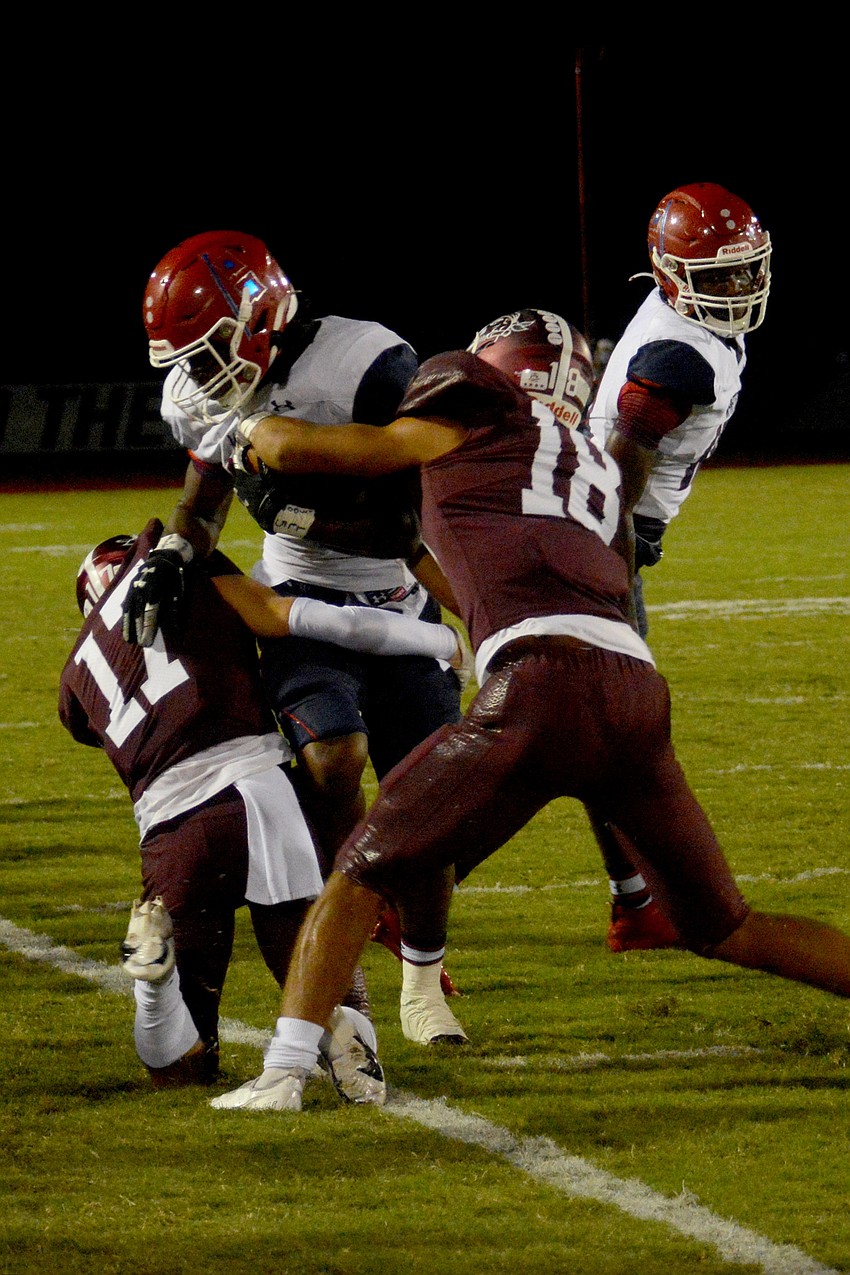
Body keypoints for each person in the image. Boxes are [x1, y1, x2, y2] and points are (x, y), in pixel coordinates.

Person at [199, 307, 850, 1113]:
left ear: (487, 370)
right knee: (725, 924)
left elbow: (327, 449)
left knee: (363, 863)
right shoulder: (601, 468)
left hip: (542, 683)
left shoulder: (471, 407)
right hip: (634, 687)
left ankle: (285, 1071)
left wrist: (251, 432)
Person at [126, 229, 465, 1039]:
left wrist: (301, 502)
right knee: (332, 756)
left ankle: (424, 975)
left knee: (429, 798)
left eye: (209, 352)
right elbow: (203, 497)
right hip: (300, 599)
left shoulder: (365, 364)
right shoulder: (206, 396)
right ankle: (361, 908)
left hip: (395, 593)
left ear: (259, 316)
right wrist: (178, 550)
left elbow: (416, 514)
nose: (199, 378)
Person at [58, 518, 471, 1095]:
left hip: (170, 824)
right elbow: (280, 617)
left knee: (181, 1069)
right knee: (313, 960)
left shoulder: (75, 673)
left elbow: (88, 723)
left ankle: (155, 992)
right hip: (262, 790)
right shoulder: (187, 565)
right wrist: (442, 641)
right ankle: (344, 1042)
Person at [583, 181, 772, 953]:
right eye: (719, 276)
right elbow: (615, 492)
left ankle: (636, 903)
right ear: (670, 274)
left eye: (745, 270)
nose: (738, 288)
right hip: (598, 544)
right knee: (589, 735)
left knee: (597, 738)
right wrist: (611, 592)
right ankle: (395, 887)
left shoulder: (692, 328)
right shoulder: (677, 358)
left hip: (599, 539)